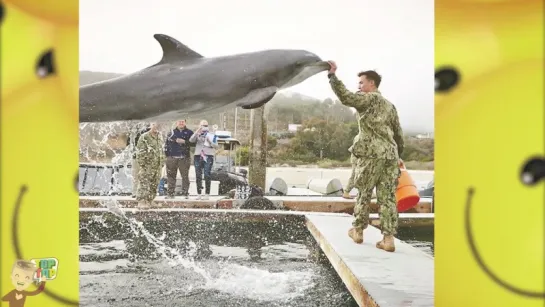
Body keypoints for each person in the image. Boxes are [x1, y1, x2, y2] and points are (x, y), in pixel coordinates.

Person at [327, 61, 404, 252]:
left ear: (372, 84)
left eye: (361, 83)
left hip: (370, 155)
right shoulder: (390, 106)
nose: (359, 86)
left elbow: (345, 97)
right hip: (390, 155)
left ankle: (358, 231)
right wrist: (399, 155)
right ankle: (388, 239)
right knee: (387, 198)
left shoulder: (368, 99)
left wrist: (332, 76)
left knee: (364, 192)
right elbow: (398, 134)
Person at [135, 122, 165, 209]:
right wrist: (143, 164)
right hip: (147, 165)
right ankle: (141, 201)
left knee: (154, 183)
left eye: (158, 125)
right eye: (154, 125)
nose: (157, 127)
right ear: (151, 125)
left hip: (157, 165)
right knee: (144, 183)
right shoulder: (145, 136)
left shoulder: (160, 137)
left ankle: (150, 200)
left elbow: (161, 150)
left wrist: (162, 161)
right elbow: (140, 151)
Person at [189, 120, 219, 200]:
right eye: (202, 125)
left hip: (208, 156)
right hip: (198, 156)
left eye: (206, 125)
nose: (204, 127)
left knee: (207, 174)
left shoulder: (212, 134)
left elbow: (216, 146)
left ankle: (207, 193)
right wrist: (197, 131)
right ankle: (199, 193)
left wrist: (210, 141)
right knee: (198, 175)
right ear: (200, 125)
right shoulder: (197, 133)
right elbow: (191, 140)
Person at [164, 120, 194, 199]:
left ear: (185, 123)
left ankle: (185, 193)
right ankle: (170, 193)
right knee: (170, 176)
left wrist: (185, 141)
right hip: (171, 158)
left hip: (184, 158)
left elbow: (194, 143)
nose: (181, 123)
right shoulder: (171, 132)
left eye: (182, 122)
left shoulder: (190, 132)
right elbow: (166, 144)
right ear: (176, 123)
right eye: (179, 121)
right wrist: (167, 155)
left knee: (185, 176)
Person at [126, 123, 151, 198]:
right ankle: (135, 192)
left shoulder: (148, 131)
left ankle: (145, 192)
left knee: (145, 175)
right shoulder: (133, 133)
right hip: (135, 157)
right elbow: (128, 144)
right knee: (135, 175)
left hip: (145, 157)